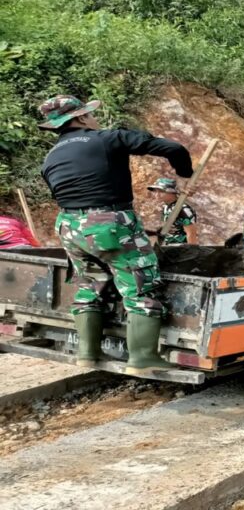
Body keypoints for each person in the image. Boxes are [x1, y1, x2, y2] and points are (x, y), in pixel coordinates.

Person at [38, 94, 193, 372]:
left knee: (89, 285)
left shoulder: (50, 157)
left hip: (68, 226)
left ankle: (87, 354)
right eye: (90, 114)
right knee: (139, 284)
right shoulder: (108, 138)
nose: (94, 118)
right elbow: (173, 147)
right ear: (82, 118)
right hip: (110, 222)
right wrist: (185, 171)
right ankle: (143, 358)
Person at [147, 178, 198, 245]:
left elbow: (191, 233)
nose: (157, 195)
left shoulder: (183, 209)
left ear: (172, 192)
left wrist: (191, 251)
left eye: (161, 191)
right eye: (155, 191)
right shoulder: (166, 207)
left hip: (181, 248)